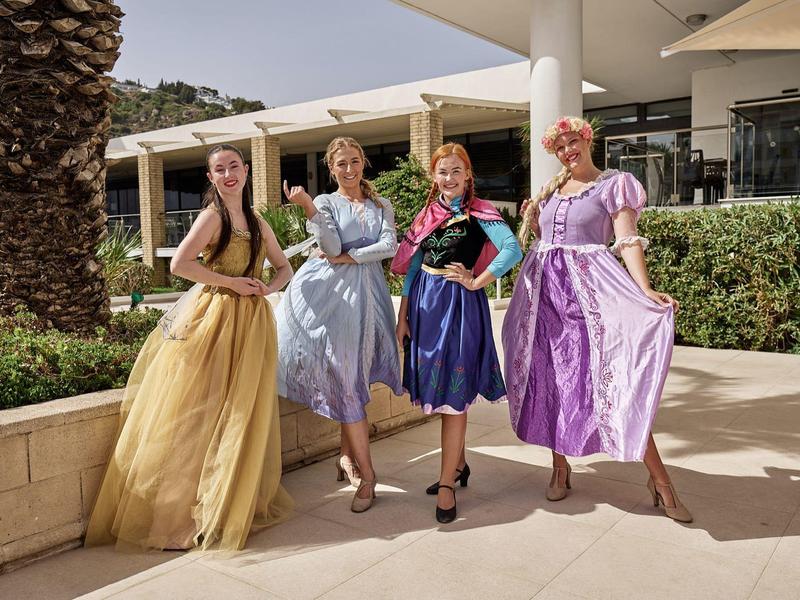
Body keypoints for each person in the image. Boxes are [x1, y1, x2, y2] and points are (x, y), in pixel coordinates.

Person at [85, 144, 295, 551]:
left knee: (238, 414)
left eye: (235, 166)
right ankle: (173, 520)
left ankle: (219, 505)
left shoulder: (256, 220)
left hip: (250, 324)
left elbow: (284, 267)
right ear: (211, 176)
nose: (229, 173)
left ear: (247, 171)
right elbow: (181, 265)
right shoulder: (211, 216)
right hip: (214, 321)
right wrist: (233, 283)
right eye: (221, 169)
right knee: (199, 413)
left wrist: (266, 288)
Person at [503, 116, 692, 522]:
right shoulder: (551, 189)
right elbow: (543, 241)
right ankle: (560, 466)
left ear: (588, 141)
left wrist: (644, 289)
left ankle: (660, 480)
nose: (568, 151)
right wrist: (535, 221)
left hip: (590, 300)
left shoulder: (614, 183)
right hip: (543, 299)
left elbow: (626, 240)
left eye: (574, 142)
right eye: (560, 147)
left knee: (616, 384)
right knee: (553, 378)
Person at [392, 142, 522, 523]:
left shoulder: (481, 212)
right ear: (434, 177)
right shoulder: (427, 213)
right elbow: (414, 266)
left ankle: (446, 484)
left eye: (456, 171)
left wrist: (477, 280)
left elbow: (511, 250)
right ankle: (459, 465)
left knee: (453, 392)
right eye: (442, 172)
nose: (449, 178)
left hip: (458, 307)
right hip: (423, 307)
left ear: (468, 176)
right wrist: (403, 316)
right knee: (441, 391)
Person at [276, 136, 402, 513]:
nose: (349, 169)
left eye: (354, 161)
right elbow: (330, 249)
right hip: (333, 301)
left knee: (356, 378)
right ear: (331, 169)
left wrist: (353, 257)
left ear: (363, 162)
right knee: (347, 380)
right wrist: (309, 208)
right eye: (341, 164)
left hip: (371, 300)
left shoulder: (382, 204)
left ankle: (345, 458)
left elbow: (391, 245)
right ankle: (367, 474)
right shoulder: (327, 203)